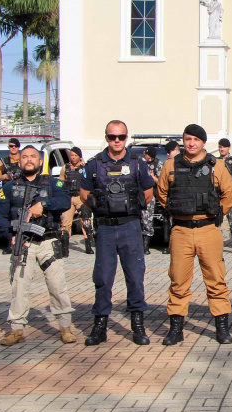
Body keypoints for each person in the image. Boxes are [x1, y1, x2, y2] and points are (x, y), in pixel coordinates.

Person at [155, 124, 232, 345]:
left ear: (203, 142)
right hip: (181, 230)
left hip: (208, 229)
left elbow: (229, 195)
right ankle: (176, 328)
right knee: (178, 280)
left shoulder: (217, 166)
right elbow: (162, 193)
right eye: (188, 139)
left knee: (216, 279)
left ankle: (221, 327)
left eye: (196, 140)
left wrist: (215, 212)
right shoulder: (170, 165)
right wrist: (177, 209)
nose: (191, 143)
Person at [79, 120, 155, 346]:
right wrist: (103, 207)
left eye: (121, 137)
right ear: (106, 138)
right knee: (103, 278)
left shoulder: (137, 163)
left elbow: (148, 193)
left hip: (130, 226)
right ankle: (100, 326)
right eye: (112, 137)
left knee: (135, 277)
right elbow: (84, 193)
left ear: (126, 138)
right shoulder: (94, 164)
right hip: (105, 228)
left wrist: (127, 207)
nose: (116, 141)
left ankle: (137, 325)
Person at [0, 145, 76, 346]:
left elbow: (64, 201)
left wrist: (44, 205)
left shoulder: (53, 183)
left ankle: (65, 327)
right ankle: (16, 329)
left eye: (33, 156)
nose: (29, 159)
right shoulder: (9, 187)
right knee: (19, 287)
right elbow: (0, 216)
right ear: (19, 161)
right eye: (24, 157)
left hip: (48, 241)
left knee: (57, 285)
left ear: (40, 162)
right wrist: (10, 236)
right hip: (24, 243)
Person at [60, 147, 95, 254]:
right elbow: (61, 181)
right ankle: (64, 248)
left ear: (79, 156)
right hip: (68, 198)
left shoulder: (84, 167)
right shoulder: (66, 168)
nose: (73, 157)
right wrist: (60, 191)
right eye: (72, 155)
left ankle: (88, 246)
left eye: (75, 155)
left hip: (81, 198)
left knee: (85, 221)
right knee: (65, 223)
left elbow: (90, 181)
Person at [139, 146, 160, 255]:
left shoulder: (158, 164)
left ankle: (145, 246)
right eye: (148, 156)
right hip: (137, 195)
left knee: (147, 220)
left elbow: (162, 182)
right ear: (144, 153)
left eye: (152, 157)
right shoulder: (138, 163)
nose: (149, 159)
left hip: (150, 195)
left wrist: (152, 177)